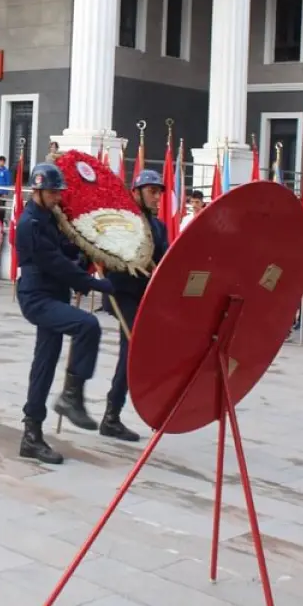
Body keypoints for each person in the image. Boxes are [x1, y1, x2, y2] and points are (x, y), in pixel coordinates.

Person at [14, 163, 115, 465]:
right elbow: (55, 263)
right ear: (38, 191)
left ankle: (31, 435)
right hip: (37, 298)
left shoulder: (50, 217)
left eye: (59, 192)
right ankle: (72, 396)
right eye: (53, 192)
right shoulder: (30, 223)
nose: (58, 197)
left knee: (44, 364)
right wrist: (96, 284)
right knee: (87, 325)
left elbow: (65, 252)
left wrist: (85, 251)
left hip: (55, 294)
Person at [104, 169, 169, 443]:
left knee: (144, 354)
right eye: (152, 191)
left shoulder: (159, 227)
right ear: (137, 192)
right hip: (123, 295)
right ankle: (111, 416)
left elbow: (166, 259)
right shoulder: (124, 221)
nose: (157, 197)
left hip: (146, 296)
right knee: (131, 352)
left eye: (159, 192)